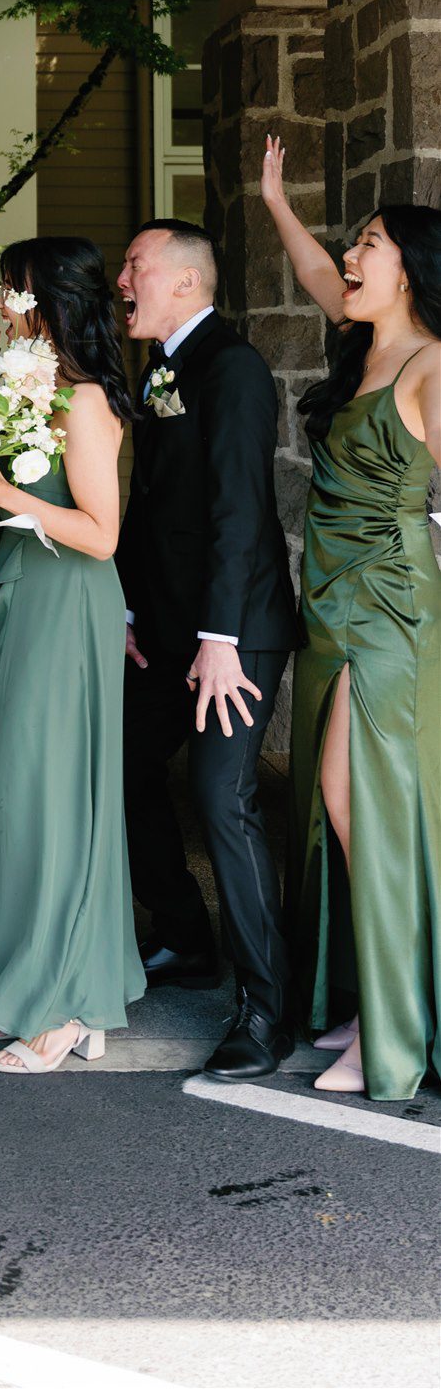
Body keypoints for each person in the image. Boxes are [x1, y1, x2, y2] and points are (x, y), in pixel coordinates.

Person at [260, 140, 441, 1100]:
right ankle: (366, 993)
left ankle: (393, 1022)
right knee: (324, 811)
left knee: (352, 800)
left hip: (390, 610)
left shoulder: (430, 362)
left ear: (410, 266)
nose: (352, 257)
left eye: (370, 243)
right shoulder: (359, 337)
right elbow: (314, 273)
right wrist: (273, 200)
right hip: (329, 606)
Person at [0, 238, 145, 1072]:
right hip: (27, 597)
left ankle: (65, 999)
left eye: (10, 296)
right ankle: (25, 979)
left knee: (54, 795)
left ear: (43, 304)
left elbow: (100, 536)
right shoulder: (33, 391)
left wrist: (2, 494)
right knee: (14, 791)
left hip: (69, 602)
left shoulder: (88, 401)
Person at [116, 218, 298, 1082]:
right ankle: (187, 940)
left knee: (221, 798)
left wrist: (220, 638)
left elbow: (238, 511)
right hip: (161, 628)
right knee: (119, 768)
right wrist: (123, 605)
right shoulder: (158, 368)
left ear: (184, 282)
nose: (123, 282)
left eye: (135, 267)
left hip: (234, 630)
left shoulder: (232, 368)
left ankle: (267, 1010)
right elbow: (146, 505)